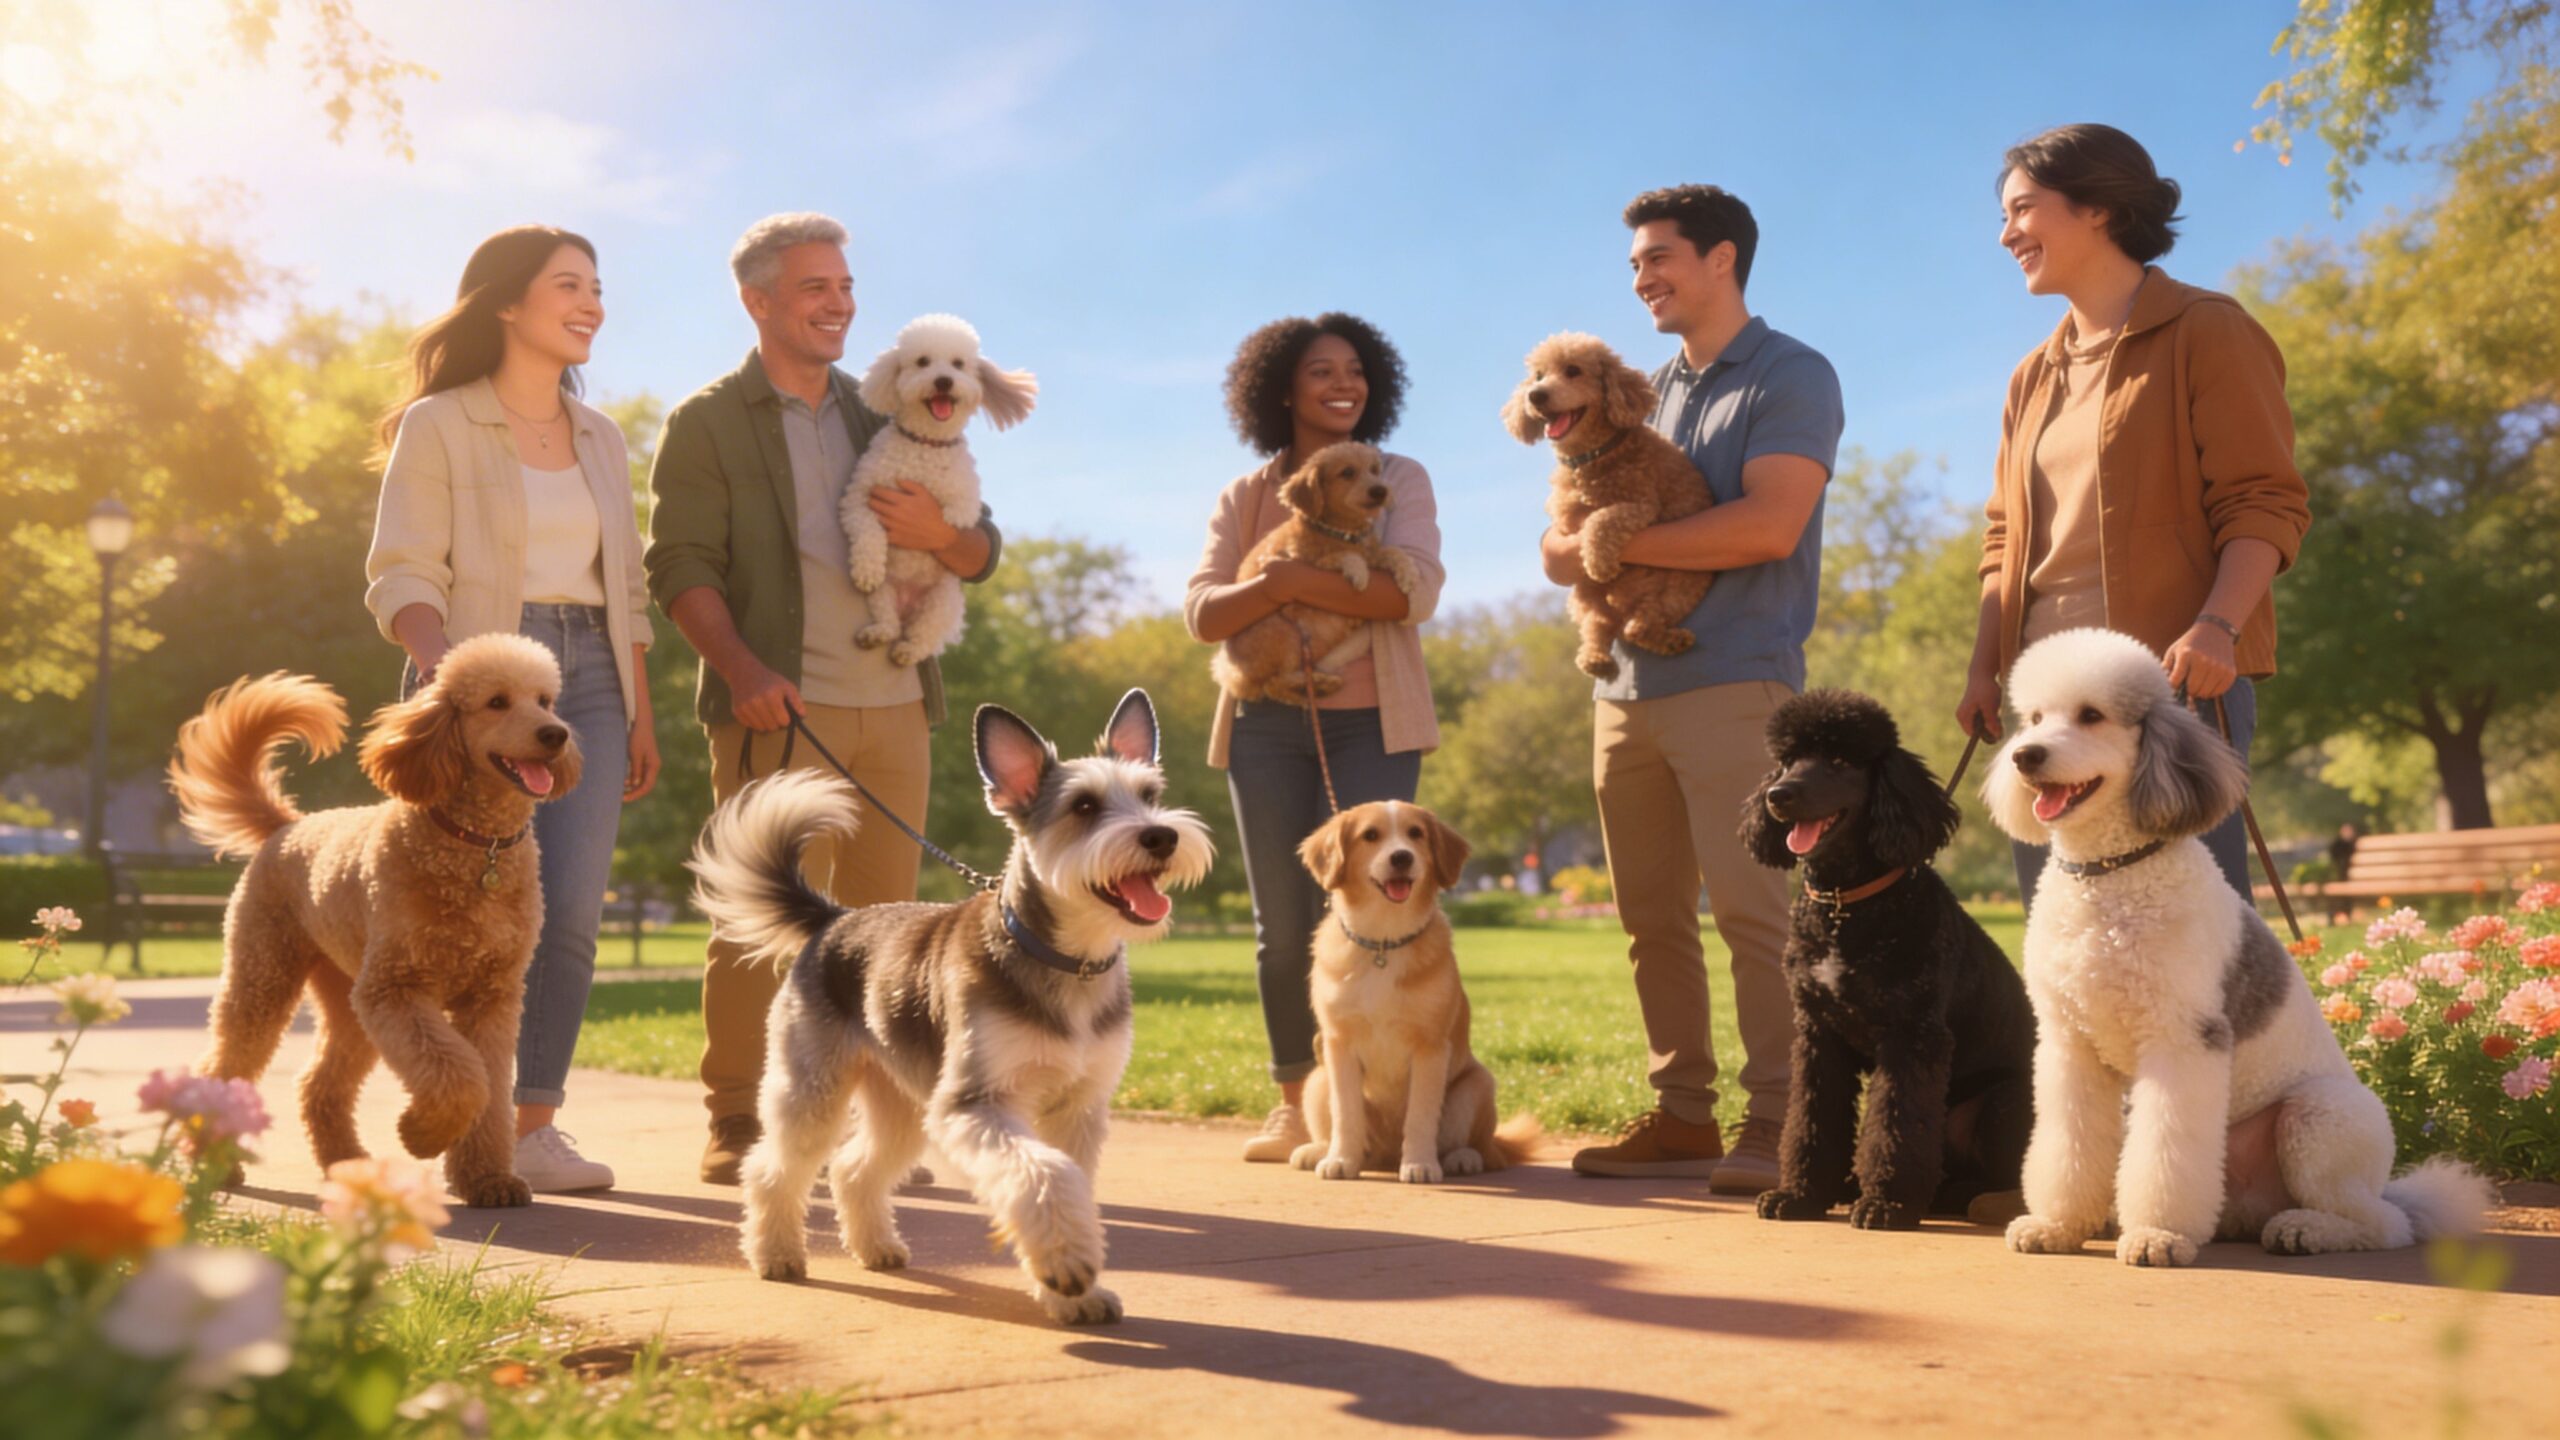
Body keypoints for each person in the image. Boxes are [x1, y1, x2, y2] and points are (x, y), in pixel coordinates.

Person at [645, 213, 1003, 1185]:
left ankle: (878, 1136)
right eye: (814, 287)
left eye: (844, 286)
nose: (839, 303)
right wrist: (741, 671)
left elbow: (981, 546)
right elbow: (678, 565)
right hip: (776, 709)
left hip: (892, 705)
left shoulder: (884, 406)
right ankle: (735, 1120)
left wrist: (942, 530)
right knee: (758, 924)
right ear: (758, 300)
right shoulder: (708, 422)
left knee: (891, 938)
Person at [1542, 186, 1844, 1193]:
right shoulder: (1640, 387)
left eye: (1660, 257)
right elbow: (1561, 532)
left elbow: (1766, 526)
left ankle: (1782, 1117)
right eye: (1633, 265)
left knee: (1754, 913)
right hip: (1620, 687)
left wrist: (1603, 549)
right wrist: (1583, 551)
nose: (1642, 279)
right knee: (1649, 919)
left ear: (1722, 258)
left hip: (1734, 680)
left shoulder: (1789, 374)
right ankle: (1680, 1115)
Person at [366, 224, 663, 1194]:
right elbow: (403, 571)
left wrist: (639, 710)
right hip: (480, 674)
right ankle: (461, 1105)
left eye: (598, 286)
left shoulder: (603, 438)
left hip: (589, 678)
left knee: (565, 912)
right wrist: (450, 676)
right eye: (568, 285)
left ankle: (528, 1128)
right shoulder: (441, 423)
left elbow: (627, 590)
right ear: (506, 303)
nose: (592, 304)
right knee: (444, 908)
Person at [1957, 124, 2312, 909]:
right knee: (2070, 948)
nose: (2006, 232)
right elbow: (2005, 538)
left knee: (2196, 941)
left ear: (2098, 209)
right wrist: (1987, 669)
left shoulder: (2208, 329)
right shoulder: (2030, 377)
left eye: (2022, 209)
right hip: (2046, 705)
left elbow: (2265, 499)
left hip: (2174, 692)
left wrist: (2219, 624)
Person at [1184, 313, 1446, 1163]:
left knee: (1384, 905)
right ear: (1281, 390)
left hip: (1373, 718)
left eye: (1357, 371)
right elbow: (1203, 613)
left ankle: (1395, 1108)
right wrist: (1288, 578)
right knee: (1283, 920)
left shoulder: (1397, 475)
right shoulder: (1245, 495)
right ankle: (1299, 1105)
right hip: (1264, 721)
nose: (1344, 384)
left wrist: (1283, 580)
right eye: (1322, 371)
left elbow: (1410, 595)